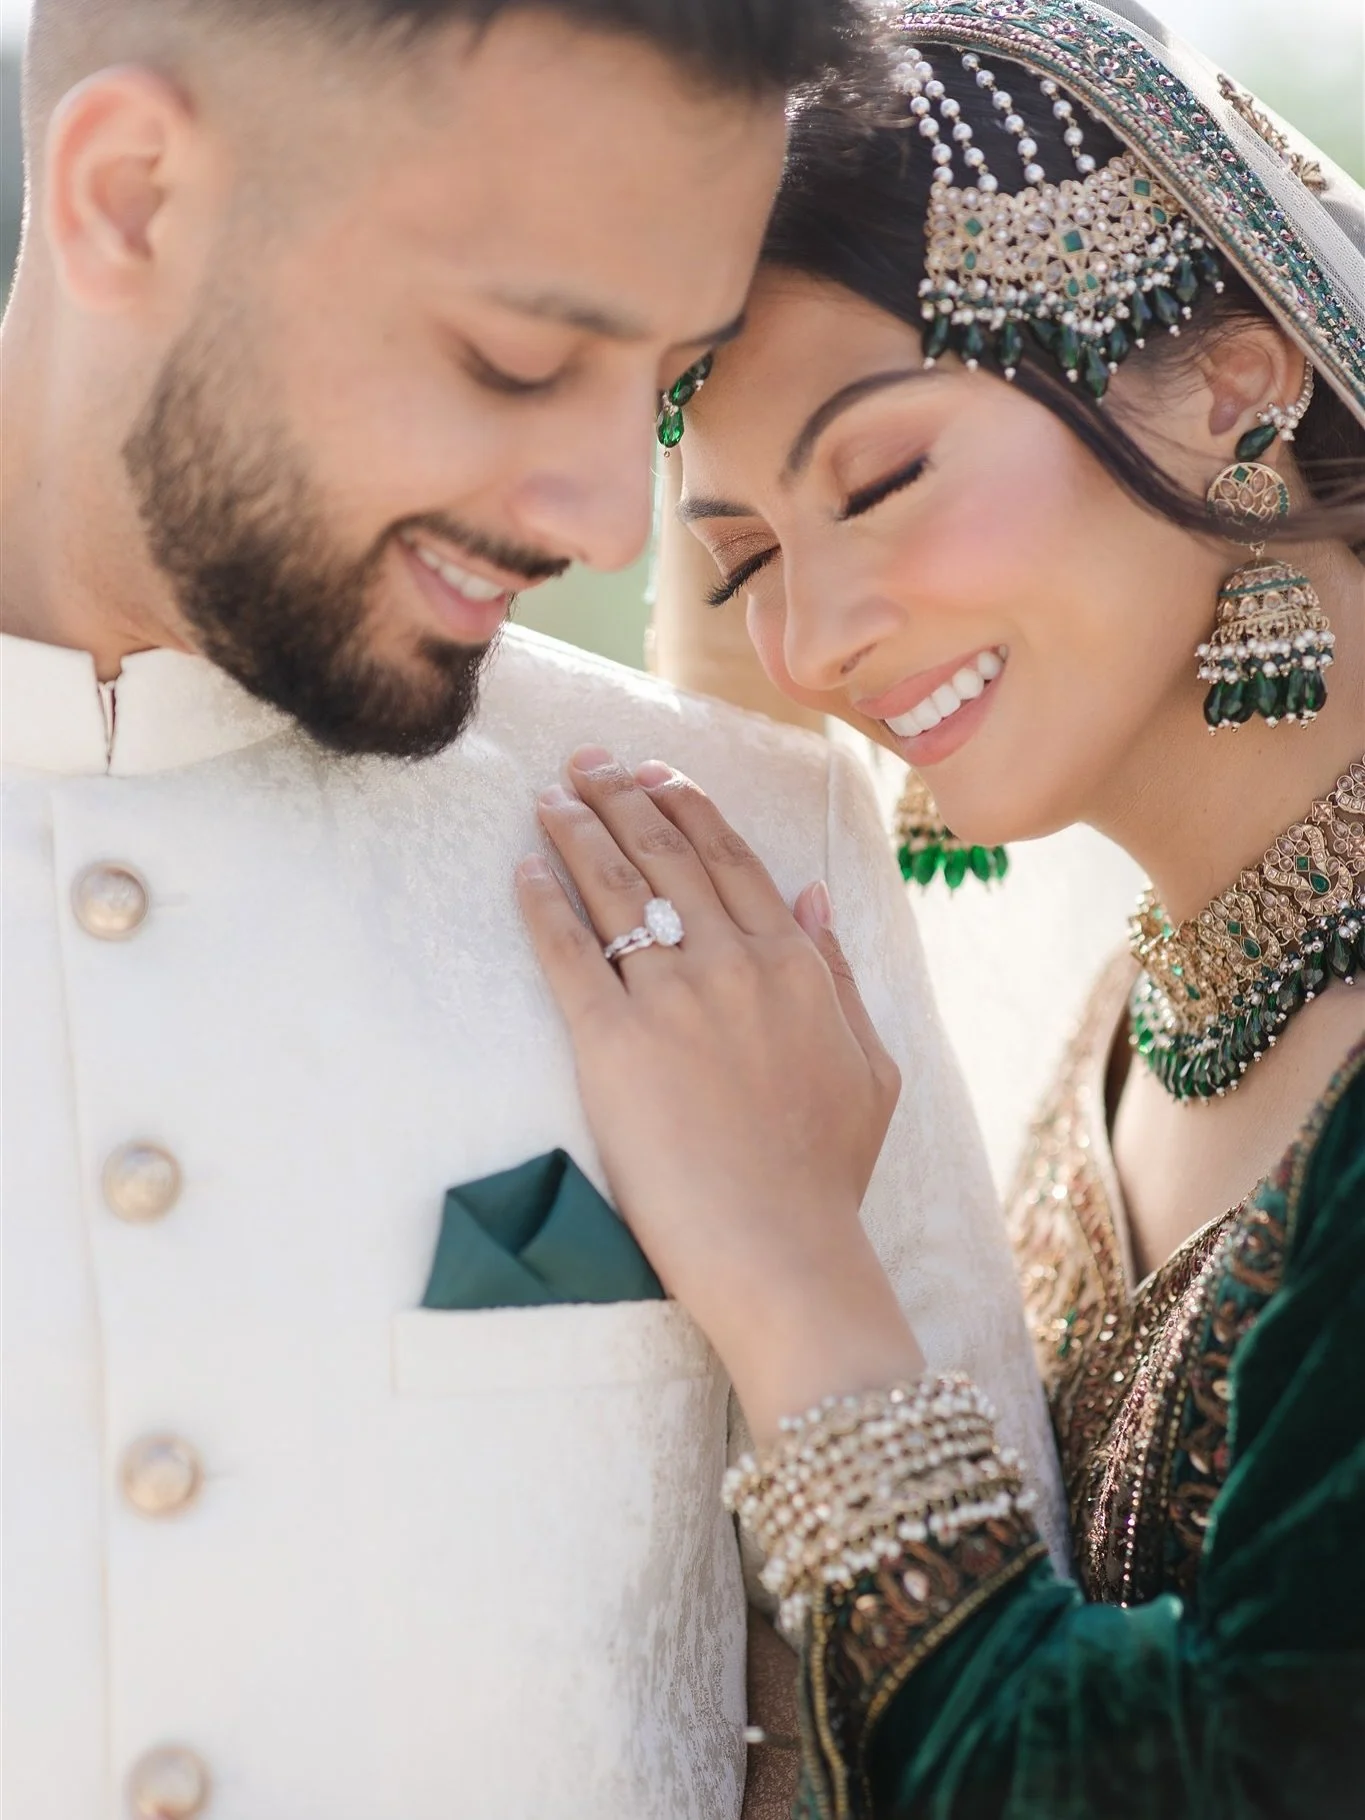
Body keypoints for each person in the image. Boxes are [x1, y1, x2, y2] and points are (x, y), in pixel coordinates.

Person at [0, 3, 1073, 1817]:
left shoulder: (748, 844)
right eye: (514, 357)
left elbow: (941, 1751)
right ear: (132, 198)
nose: (602, 524)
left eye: (662, 376)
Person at [517, 2, 1365, 1813]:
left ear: (1236, 379)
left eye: (883, 477)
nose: (810, 643)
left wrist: (793, 1272)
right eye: (742, 556)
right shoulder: (1120, 1035)